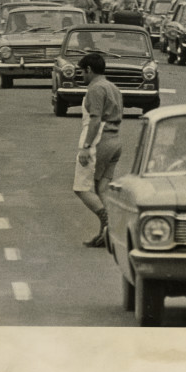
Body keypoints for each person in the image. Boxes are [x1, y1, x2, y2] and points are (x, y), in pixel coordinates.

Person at [72, 52, 125, 248]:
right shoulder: (113, 87)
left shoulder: (95, 89)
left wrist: (86, 146)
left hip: (99, 141)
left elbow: (95, 119)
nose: (81, 76)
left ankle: (109, 223)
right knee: (101, 188)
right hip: (115, 140)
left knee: (81, 188)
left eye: (82, 72)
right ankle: (106, 234)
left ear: (89, 70)